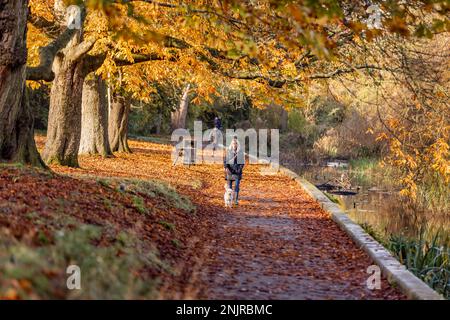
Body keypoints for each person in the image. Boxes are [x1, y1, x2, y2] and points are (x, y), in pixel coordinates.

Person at [224, 135, 244, 205]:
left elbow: (242, 162)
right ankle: (228, 201)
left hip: (237, 172)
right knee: (229, 187)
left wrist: (239, 169)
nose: (234, 145)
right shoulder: (228, 151)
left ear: (237, 144)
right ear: (231, 144)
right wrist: (226, 168)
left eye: (235, 143)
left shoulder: (240, 152)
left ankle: (235, 200)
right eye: (233, 143)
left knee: (237, 186)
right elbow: (225, 161)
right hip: (229, 171)